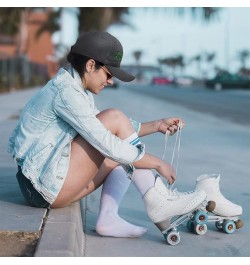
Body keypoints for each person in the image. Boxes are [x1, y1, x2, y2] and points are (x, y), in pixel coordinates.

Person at [8, 31, 206, 238]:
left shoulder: (75, 87)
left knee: (119, 143)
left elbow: (106, 129)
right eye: (108, 74)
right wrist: (156, 163)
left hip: (42, 186)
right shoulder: (65, 92)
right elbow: (106, 137)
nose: (110, 81)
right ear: (91, 65)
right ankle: (157, 200)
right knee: (115, 120)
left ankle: (109, 218)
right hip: (41, 187)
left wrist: (156, 125)